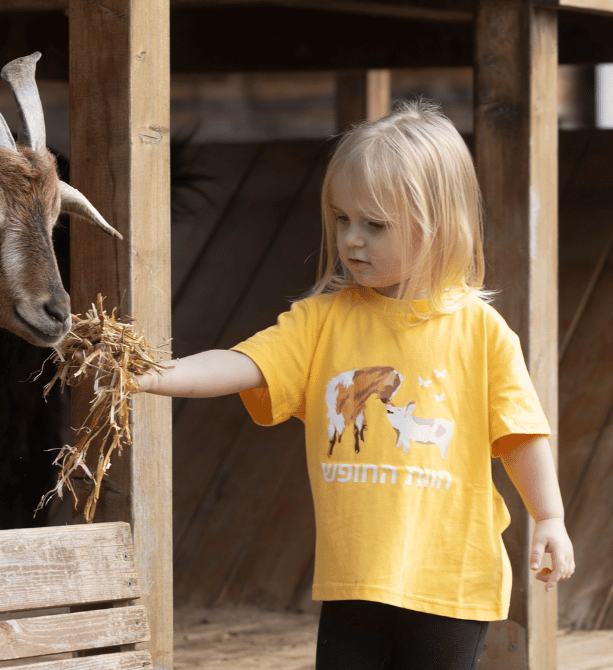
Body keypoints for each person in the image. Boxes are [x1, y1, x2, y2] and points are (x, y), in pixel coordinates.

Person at [136, 99, 574, 670]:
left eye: (375, 224)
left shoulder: (482, 332)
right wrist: (148, 373)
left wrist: (550, 517)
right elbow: (243, 363)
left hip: (452, 582)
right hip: (352, 582)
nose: (351, 240)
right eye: (342, 219)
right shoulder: (323, 321)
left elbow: (521, 433)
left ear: (436, 225)